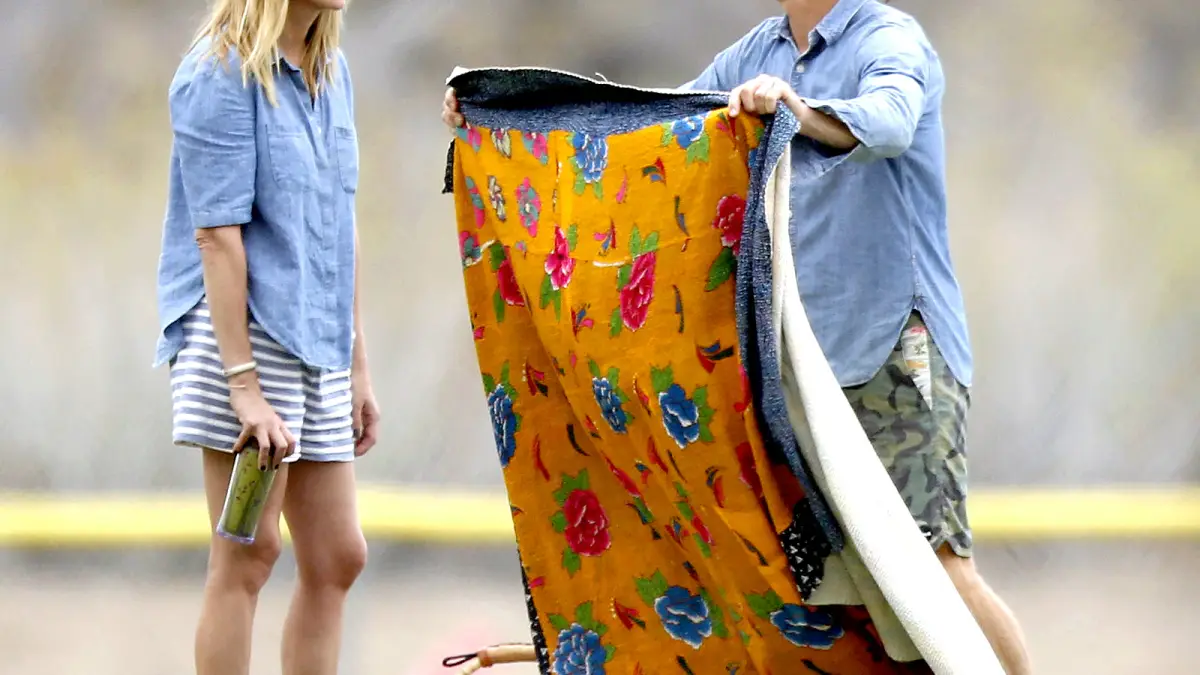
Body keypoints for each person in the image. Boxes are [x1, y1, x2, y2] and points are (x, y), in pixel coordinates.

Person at [443, 1, 1033, 673]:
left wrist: (796, 110)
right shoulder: (756, 52)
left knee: (937, 567)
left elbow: (891, 120)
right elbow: (657, 122)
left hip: (896, 348)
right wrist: (509, 111)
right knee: (849, 594)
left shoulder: (888, 37)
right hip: (804, 371)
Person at [155, 1, 377, 673]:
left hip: (318, 341)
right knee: (246, 556)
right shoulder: (217, 73)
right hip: (245, 341)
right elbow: (216, 235)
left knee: (338, 554)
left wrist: (356, 363)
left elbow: (340, 223)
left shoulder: (329, 72)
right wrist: (245, 390)